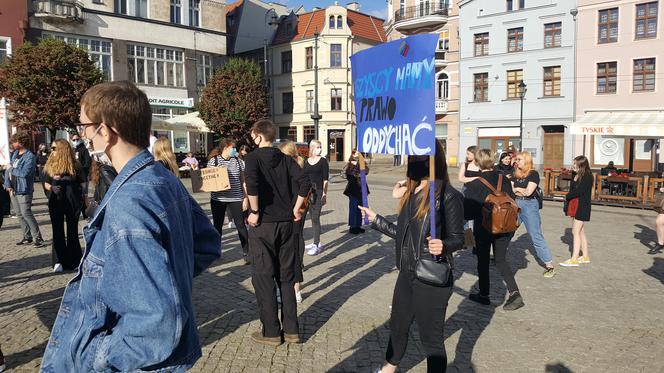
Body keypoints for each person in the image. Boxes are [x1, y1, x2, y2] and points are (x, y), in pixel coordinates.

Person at [40, 81, 221, 372]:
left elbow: (155, 323)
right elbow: (207, 244)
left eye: (84, 125)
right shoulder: (163, 178)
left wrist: (94, 356)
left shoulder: (130, 201)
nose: (81, 134)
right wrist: (163, 278)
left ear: (106, 131)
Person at [359, 140, 464, 373]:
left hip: (431, 276)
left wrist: (444, 246)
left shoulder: (448, 195)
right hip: (406, 272)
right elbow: (403, 235)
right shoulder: (412, 191)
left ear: (433, 159)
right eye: (412, 156)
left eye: (419, 156)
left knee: (431, 338)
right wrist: (376, 219)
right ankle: (389, 367)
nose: (414, 161)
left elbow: (459, 237)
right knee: (398, 324)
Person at [244, 119, 310, 346]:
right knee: (286, 277)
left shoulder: (251, 158)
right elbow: (305, 182)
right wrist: (295, 208)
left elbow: (251, 185)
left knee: (263, 278)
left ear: (259, 136)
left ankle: (271, 331)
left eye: (253, 135)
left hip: (263, 225)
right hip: (285, 224)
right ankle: (292, 330)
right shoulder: (285, 159)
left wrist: (254, 211)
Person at [464, 148, 524, 311]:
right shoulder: (503, 178)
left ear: (477, 162)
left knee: (483, 261)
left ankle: (484, 295)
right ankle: (514, 292)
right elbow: (511, 198)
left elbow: (467, 212)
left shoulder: (475, 183)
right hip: (505, 225)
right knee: (501, 260)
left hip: (484, 227)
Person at [43, 139, 85, 273]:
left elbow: (83, 183)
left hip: (72, 200)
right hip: (56, 199)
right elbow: (45, 182)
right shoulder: (50, 164)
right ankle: (58, 260)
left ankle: (74, 260)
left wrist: (81, 195)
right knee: (57, 230)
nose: (52, 150)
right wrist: (52, 188)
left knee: (72, 230)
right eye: (52, 148)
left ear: (62, 149)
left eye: (54, 148)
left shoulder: (75, 164)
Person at [512, 152, 555, 278]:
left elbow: (528, 192)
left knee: (535, 235)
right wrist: (519, 190)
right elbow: (511, 189)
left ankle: (549, 265)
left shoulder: (533, 174)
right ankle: (500, 258)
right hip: (516, 204)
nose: (516, 162)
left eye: (519, 159)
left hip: (530, 206)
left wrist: (517, 189)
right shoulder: (516, 173)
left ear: (526, 160)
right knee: (507, 231)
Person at [207, 138, 250, 264]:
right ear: (225, 148)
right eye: (233, 148)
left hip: (235, 197)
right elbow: (209, 181)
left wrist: (245, 197)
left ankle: (247, 252)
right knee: (217, 226)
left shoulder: (238, 161)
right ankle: (216, 251)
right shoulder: (213, 161)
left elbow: (243, 181)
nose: (235, 150)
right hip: (218, 199)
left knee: (240, 225)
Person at [278, 141, 307, 304]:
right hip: (288, 215)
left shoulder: (295, 169)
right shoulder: (290, 168)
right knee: (288, 254)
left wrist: (296, 209)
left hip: (294, 217)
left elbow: (304, 189)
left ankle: (295, 289)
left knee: (293, 254)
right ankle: (290, 289)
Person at [3, 132, 44, 247]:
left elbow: (24, 173)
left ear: (21, 142)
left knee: (26, 213)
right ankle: (27, 236)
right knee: (19, 214)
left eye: (14, 142)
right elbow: (7, 170)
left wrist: (11, 169)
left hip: (24, 189)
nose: (12, 144)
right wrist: (7, 184)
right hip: (13, 189)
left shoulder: (30, 157)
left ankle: (38, 237)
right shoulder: (15, 153)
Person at [560, 155, 593, 267]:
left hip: (582, 206)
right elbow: (573, 188)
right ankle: (585, 257)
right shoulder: (576, 174)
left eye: (575, 164)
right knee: (581, 232)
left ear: (581, 165)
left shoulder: (587, 176)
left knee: (575, 232)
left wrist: (567, 196)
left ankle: (574, 259)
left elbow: (579, 191)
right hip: (575, 205)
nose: (573, 165)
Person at [303, 139, 329, 256]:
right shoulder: (306, 161)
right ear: (312, 148)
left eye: (320, 146)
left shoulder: (323, 161)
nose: (320, 149)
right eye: (318, 146)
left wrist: (324, 194)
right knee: (312, 217)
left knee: (315, 217)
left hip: (318, 191)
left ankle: (316, 244)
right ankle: (316, 241)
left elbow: (325, 180)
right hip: (308, 192)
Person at [344, 149, 369, 235]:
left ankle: (358, 225)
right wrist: (355, 166)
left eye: (358, 153)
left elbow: (366, 171)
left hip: (362, 188)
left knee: (360, 208)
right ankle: (352, 226)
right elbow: (349, 175)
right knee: (353, 208)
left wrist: (358, 164)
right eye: (354, 153)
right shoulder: (350, 164)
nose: (356, 154)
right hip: (353, 189)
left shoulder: (362, 163)